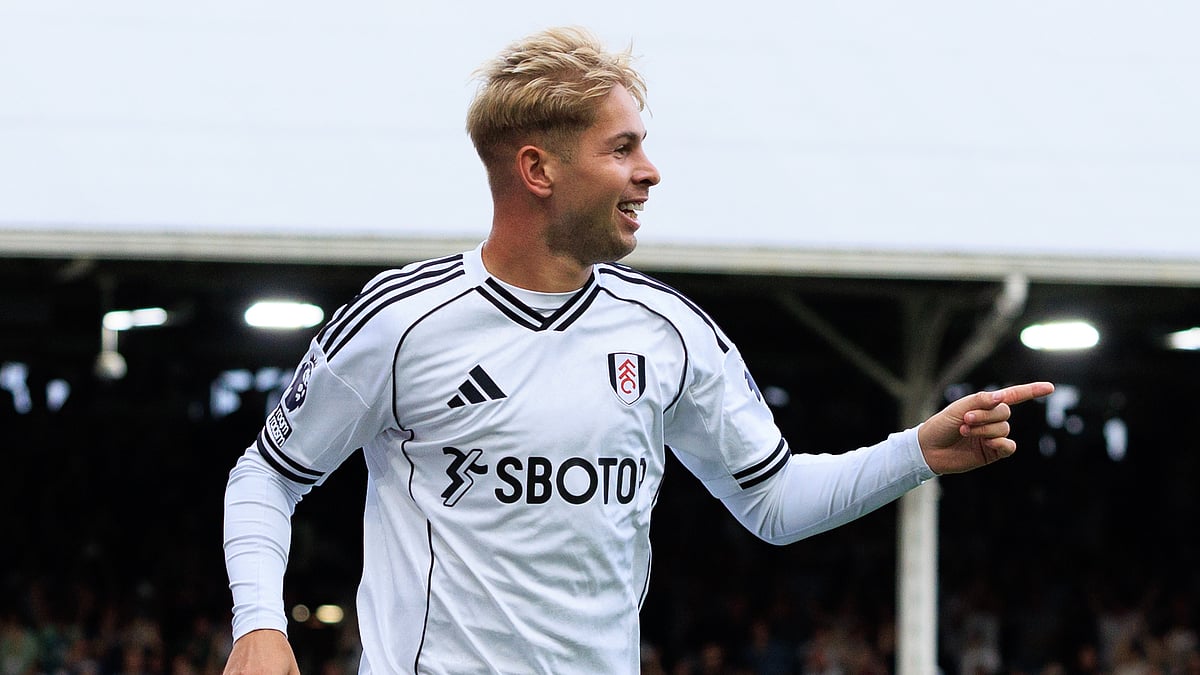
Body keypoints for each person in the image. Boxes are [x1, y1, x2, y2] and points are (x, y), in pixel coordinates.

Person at [221, 26, 1053, 674]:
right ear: (538, 168)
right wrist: (260, 624)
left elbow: (773, 501)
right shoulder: (401, 322)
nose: (649, 171)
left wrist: (918, 451)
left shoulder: (669, 333)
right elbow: (267, 474)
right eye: (621, 148)